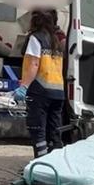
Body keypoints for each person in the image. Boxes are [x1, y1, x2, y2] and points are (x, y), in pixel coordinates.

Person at [13, 8, 66, 158]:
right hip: (58, 92)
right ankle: (56, 163)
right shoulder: (57, 40)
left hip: (41, 91)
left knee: (38, 130)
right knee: (54, 132)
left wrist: (24, 87)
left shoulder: (36, 38)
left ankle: (41, 164)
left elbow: (34, 64)